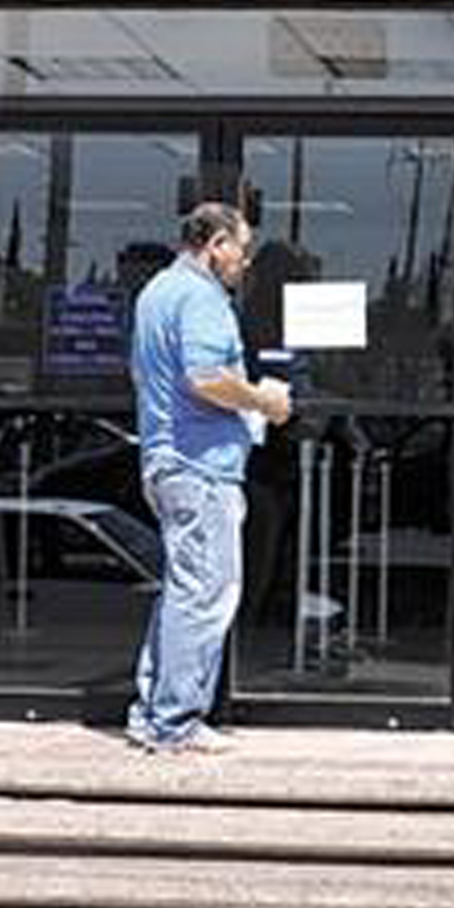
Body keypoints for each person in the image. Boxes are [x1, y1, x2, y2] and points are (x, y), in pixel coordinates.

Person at [126, 201, 292, 754]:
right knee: (206, 595)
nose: (245, 262)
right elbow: (206, 378)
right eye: (241, 249)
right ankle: (175, 722)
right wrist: (264, 401)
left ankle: (152, 712)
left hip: (168, 460)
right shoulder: (201, 298)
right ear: (216, 244)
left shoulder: (156, 292)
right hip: (200, 468)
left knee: (183, 590)